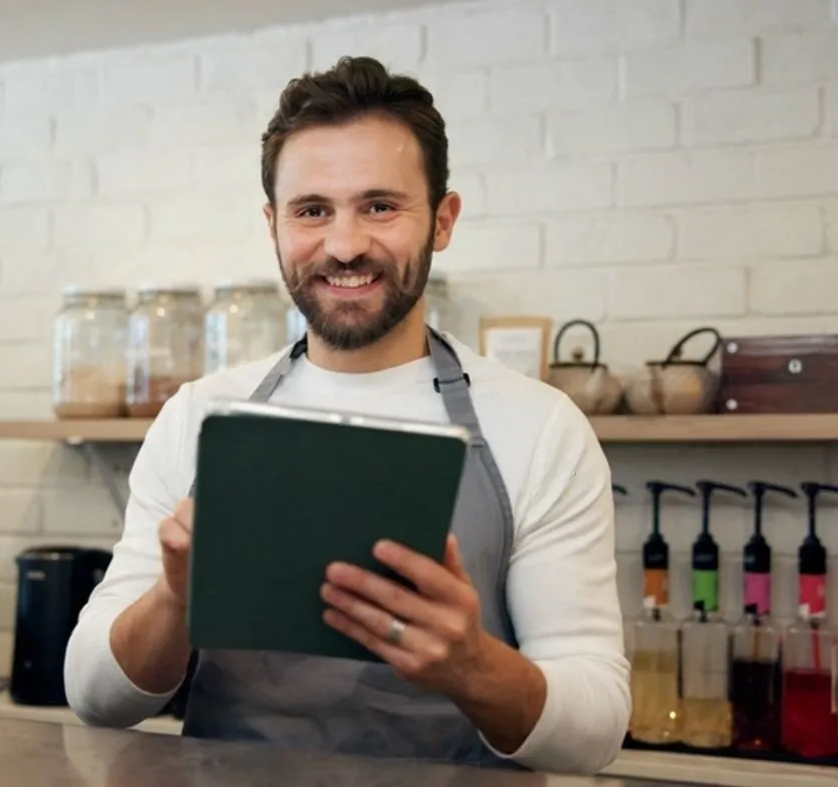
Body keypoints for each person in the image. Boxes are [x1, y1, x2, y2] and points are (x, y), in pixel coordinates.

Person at [63, 56, 629, 775]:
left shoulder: (539, 427)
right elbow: (93, 696)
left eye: (381, 206)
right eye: (312, 210)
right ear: (273, 224)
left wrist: (472, 664)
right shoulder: (198, 415)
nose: (345, 244)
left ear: (443, 219)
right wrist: (176, 597)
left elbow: (598, 729)